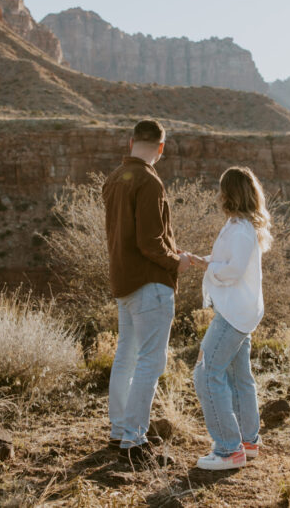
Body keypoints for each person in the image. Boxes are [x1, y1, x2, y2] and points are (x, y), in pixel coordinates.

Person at [102, 119, 191, 469]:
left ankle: (120, 430)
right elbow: (150, 242)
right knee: (151, 361)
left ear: (131, 142)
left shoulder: (114, 179)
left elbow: (131, 236)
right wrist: (176, 262)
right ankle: (134, 441)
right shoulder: (149, 181)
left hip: (123, 281)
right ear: (161, 147)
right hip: (150, 283)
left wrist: (177, 253)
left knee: (126, 356)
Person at [186, 166, 270, 471]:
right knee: (238, 377)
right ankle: (247, 441)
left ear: (230, 194)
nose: (218, 194)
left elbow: (232, 271)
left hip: (233, 314)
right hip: (241, 311)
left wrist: (209, 269)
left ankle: (227, 450)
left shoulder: (241, 229)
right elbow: (230, 262)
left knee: (206, 374)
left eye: (222, 189)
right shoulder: (241, 225)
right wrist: (203, 261)